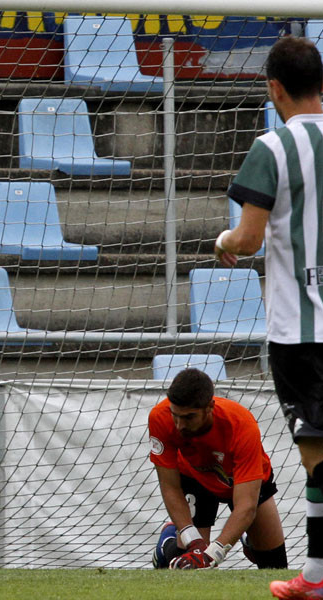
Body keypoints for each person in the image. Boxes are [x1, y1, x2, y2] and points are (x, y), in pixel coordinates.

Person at [213, 35, 323, 596]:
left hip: (302, 330)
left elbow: (249, 239)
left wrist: (223, 239)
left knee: (317, 456)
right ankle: (315, 576)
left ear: (274, 89)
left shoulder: (273, 147)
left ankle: (318, 578)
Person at [148, 368, 287, 571]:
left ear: (209, 407)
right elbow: (169, 487)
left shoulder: (242, 425)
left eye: (188, 417)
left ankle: (249, 540)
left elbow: (246, 506)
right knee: (187, 565)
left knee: (275, 568)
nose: (179, 425)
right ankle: (169, 543)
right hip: (195, 478)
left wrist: (212, 554)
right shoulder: (160, 417)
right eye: (175, 415)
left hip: (242, 484)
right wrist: (191, 539)